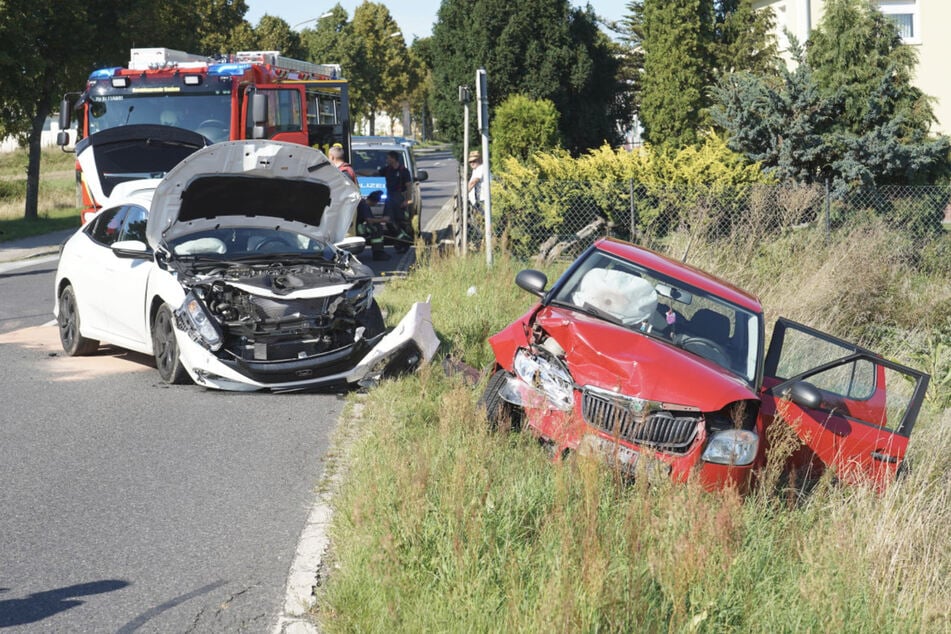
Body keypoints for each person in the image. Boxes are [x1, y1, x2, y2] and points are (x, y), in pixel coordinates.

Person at [379, 150, 413, 253]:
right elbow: (374, 172)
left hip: (399, 197)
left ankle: (402, 242)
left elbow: (408, 186)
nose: (387, 160)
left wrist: (407, 200)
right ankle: (402, 239)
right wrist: (358, 172)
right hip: (390, 197)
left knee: (399, 221)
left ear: (393, 159)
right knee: (389, 221)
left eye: (388, 158)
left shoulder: (403, 170)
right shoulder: (387, 170)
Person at [356, 190, 390, 261]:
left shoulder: (364, 204)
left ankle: (379, 251)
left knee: (377, 226)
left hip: (359, 226)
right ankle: (378, 252)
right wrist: (383, 220)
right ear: (374, 201)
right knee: (377, 229)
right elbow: (369, 220)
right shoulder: (364, 206)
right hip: (359, 228)